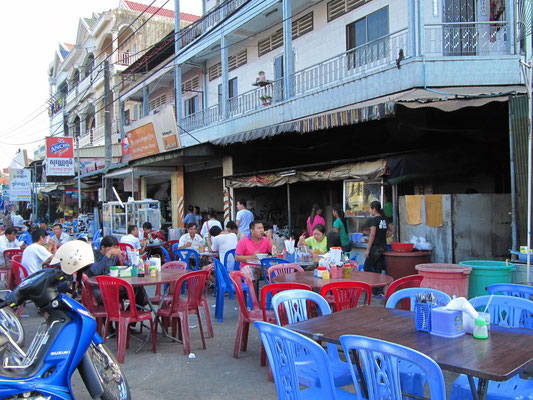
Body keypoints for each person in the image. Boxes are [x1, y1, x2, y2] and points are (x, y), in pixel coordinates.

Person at [364, 201, 394, 276]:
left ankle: (371, 285)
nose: (370, 211)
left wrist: (368, 250)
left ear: (374, 209)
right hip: (383, 247)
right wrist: (384, 236)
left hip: (375, 248)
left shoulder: (374, 220)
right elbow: (393, 230)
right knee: (378, 269)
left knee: (367, 268)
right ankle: (378, 287)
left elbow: (372, 235)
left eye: (370, 209)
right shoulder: (384, 219)